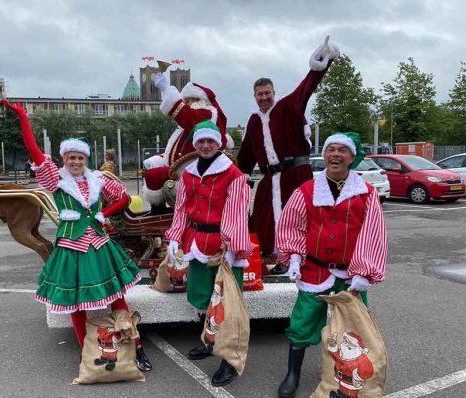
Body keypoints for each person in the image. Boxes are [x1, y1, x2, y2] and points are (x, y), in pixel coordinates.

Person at [1, 99, 152, 372]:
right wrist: (22, 116)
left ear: (86, 160)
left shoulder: (97, 179)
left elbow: (123, 198)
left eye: (80, 158)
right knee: (76, 302)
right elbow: (34, 151)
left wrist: (102, 215)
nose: (76, 161)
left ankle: (135, 346)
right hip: (71, 246)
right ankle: (86, 351)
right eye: (71, 157)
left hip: (99, 245)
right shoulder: (55, 180)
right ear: (64, 159)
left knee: (117, 297)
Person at [274, 132, 387, 398]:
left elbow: (373, 233)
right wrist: (293, 256)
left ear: (352, 157)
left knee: (352, 328)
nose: (335, 154)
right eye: (330, 149)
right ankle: (293, 374)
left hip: (351, 274)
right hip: (315, 269)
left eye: (342, 151)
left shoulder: (367, 194)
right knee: (301, 322)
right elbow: (293, 225)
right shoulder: (306, 190)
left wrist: (363, 271)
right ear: (324, 154)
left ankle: (346, 378)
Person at [237, 38, 340, 274]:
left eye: (267, 93)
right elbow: (245, 157)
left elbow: (306, 89)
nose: (264, 98)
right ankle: (263, 255)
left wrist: (321, 66)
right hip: (269, 179)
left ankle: (295, 256)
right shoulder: (253, 122)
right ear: (254, 97)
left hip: (295, 175)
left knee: (297, 216)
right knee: (261, 218)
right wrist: (235, 174)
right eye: (259, 94)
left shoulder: (287, 107)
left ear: (274, 93)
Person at [164, 120, 251, 387]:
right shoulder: (189, 174)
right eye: (200, 141)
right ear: (195, 144)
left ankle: (228, 359)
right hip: (196, 241)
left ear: (218, 143)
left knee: (227, 304)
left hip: (223, 246)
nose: (205, 145)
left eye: (210, 141)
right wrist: (175, 238)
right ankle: (209, 341)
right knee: (201, 296)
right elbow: (181, 209)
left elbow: (237, 212)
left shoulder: (233, 174)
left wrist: (233, 248)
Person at [142, 73, 232, 199]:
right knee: (152, 172)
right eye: (186, 100)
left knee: (153, 176)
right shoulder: (189, 124)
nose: (188, 103)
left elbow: (186, 115)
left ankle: (159, 212)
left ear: (203, 100)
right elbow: (179, 149)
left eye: (192, 99)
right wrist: (158, 159)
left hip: (192, 170)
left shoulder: (208, 114)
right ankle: (158, 210)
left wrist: (166, 89)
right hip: (181, 167)